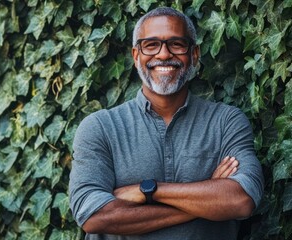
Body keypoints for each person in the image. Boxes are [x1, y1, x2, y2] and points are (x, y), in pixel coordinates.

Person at [68, 7, 264, 239]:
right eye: (151, 45)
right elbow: (93, 216)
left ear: (194, 54)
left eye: (177, 44)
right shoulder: (100, 127)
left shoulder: (226, 122)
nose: (163, 54)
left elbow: (241, 200)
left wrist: (148, 191)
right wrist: (207, 196)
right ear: (135, 55)